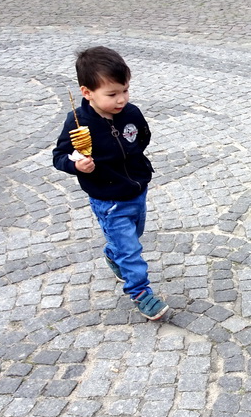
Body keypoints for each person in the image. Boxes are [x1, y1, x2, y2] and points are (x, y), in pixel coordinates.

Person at [52, 47, 169, 322]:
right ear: (87, 92)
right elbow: (59, 156)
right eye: (112, 94)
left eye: (125, 91)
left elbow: (142, 137)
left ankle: (112, 253)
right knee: (130, 249)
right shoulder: (78, 123)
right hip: (108, 199)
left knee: (134, 234)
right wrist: (76, 165)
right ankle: (141, 293)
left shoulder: (131, 113)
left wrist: (136, 163)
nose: (121, 100)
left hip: (137, 190)